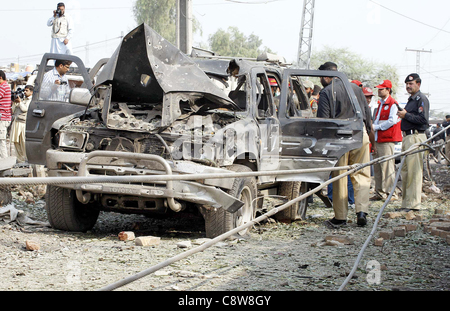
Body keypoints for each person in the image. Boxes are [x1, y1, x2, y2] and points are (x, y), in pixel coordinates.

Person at [317, 62, 372, 228]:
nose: (320, 81)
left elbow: (323, 122)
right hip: (360, 134)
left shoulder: (326, 92)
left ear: (327, 76)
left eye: (321, 77)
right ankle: (361, 212)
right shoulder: (356, 89)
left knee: (340, 177)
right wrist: (370, 137)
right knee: (361, 175)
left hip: (339, 138)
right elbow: (368, 116)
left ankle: (340, 218)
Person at [397, 73, 430, 211]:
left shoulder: (421, 99)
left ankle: (414, 205)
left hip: (416, 137)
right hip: (407, 137)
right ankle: (406, 203)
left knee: (414, 172)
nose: (408, 86)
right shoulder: (411, 100)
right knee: (406, 171)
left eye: (411, 84)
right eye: (407, 84)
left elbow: (423, 120)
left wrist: (406, 115)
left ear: (418, 84)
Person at [371, 80, 402, 201]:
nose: (379, 91)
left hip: (386, 139)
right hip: (379, 138)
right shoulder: (381, 104)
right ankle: (380, 192)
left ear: (388, 90)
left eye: (381, 89)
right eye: (379, 89)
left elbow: (392, 121)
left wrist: (376, 127)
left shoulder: (393, 104)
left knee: (387, 167)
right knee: (378, 166)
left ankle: (391, 193)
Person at [11, 85, 33, 164]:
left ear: (31, 92)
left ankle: (25, 159)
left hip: (24, 123)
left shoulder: (31, 100)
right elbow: (13, 110)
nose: (25, 92)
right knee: (16, 142)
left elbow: (25, 109)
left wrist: (20, 102)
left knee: (23, 142)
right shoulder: (23, 99)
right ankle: (20, 160)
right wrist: (15, 102)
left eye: (27, 90)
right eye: (25, 90)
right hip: (17, 122)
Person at [0, 70, 12, 159]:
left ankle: (4, 160)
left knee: (1, 140)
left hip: (3, 117)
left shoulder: (3, 86)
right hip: (4, 117)